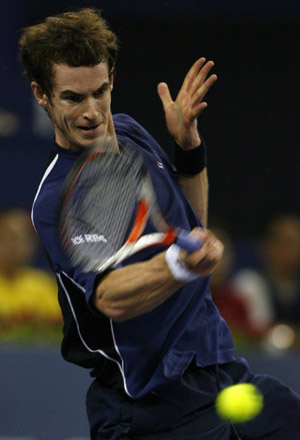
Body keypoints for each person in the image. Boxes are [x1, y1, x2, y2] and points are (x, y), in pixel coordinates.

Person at [18, 8, 300, 440]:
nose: (93, 112)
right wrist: (180, 266)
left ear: (111, 77)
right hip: (149, 406)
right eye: (73, 98)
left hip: (216, 367)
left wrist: (188, 149)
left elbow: (190, 224)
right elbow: (111, 297)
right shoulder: (55, 200)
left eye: (100, 91)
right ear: (41, 94)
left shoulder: (128, 131)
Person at [232, 212, 300, 346]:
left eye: (296, 243)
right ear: (265, 245)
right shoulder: (249, 283)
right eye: (284, 242)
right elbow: (255, 334)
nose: (290, 250)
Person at [0, 208, 62, 340]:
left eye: (23, 239)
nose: (15, 246)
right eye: (9, 238)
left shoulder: (43, 284)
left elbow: (57, 328)